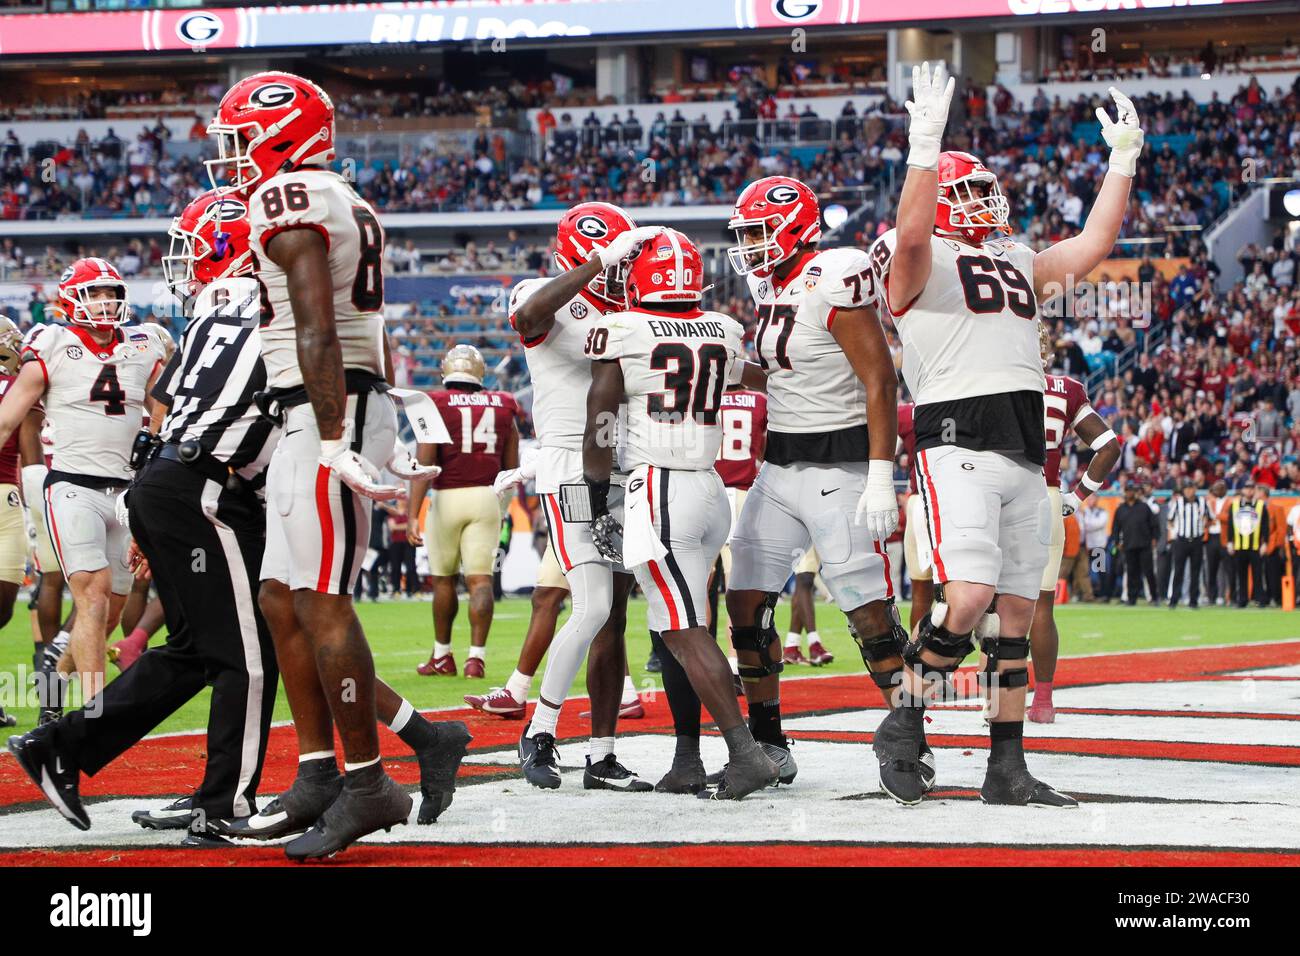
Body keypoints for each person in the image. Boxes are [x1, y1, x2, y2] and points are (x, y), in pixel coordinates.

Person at [206, 71, 469, 859]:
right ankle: (321, 772)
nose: (236, 157)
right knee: (281, 599)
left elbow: (318, 322)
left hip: (329, 410)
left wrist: (331, 439)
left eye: (242, 137)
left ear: (279, 133)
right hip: (328, 405)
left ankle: (367, 784)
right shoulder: (337, 195)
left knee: (321, 602)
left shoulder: (290, 199)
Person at [868, 63, 1141, 806]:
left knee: (1014, 619)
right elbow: (914, 228)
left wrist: (1122, 162)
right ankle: (904, 716)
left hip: (1026, 449)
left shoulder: (1016, 258)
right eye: (973, 190)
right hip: (957, 436)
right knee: (969, 596)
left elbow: (1091, 245)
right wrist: (925, 145)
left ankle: (1006, 767)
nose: (989, 200)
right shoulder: (914, 255)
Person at [7, 191, 278, 843]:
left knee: (193, 649)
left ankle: (59, 745)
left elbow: (163, 403)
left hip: (155, 482)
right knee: (248, 654)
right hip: (195, 484)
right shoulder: (268, 309)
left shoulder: (198, 325)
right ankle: (225, 803)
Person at [580, 227, 778, 800]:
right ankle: (688, 758)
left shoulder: (623, 327)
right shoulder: (724, 327)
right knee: (676, 629)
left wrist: (596, 493)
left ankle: (745, 755)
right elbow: (752, 377)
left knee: (684, 630)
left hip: (660, 487)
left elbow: (600, 413)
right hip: (711, 487)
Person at [724, 174, 904, 792]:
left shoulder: (834, 274)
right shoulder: (771, 285)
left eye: (757, 232)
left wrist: (881, 476)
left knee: (869, 614)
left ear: (795, 226)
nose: (747, 246)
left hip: (840, 466)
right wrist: (728, 368)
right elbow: (785, 373)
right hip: (779, 467)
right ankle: (769, 742)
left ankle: (908, 734)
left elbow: (880, 380)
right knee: (745, 606)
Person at [501, 202, 663, 791]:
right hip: (572, 462)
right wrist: (598, 265)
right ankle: (539, 730)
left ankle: (601, 754)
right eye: (616, 258)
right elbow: (526, 317)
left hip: (627, 463)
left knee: (614, 617)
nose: (625, 269)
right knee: (592, 606)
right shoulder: (546, 291)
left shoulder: (630, 308)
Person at [0, 258, 165, 709]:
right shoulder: (51, 342)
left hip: (127, 493)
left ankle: (56, 683)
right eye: (94, 293)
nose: (105, 302)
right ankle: (95, 710)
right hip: (72, 485)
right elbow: (8, 419)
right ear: (72, 298)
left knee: (110, 606)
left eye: (111, 292)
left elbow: (163, 405)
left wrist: (156, 438)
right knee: (90, 593)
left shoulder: (144, 342)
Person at [409, 344, 519, 678]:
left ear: (447, 371)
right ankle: (476, 658)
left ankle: (442, 655)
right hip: (486, 496)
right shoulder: (503, 404)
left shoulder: (436, 404)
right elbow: (511, 466)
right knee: (480, 580)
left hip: (448, 497)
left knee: (443, 579)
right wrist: (501, 504)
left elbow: (424, 463)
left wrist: (413, 513)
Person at [1027, 331, 1120, 724]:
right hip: (1046, 498)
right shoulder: (1067, 389)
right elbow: (1109, 445)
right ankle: (1043, 702)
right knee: (1042, 607)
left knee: (993, 603)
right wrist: (1077, 496)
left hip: (999, 496)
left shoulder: (990, 382)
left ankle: (994, 699)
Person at [898, 402, 934, 631]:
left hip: (918, 501)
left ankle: (918, 662)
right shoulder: (958, 402)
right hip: (952, 501)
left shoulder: (904, 413)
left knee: (921, 593)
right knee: (957, 594)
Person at [1113, 484, 1159, 604]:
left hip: (1145, 544)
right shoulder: (1121, 509)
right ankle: (1131, 598)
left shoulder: (1144, 507)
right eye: (1128, 491)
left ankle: (1154, 597)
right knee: (1132, 572)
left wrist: (1155, 538)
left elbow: (1154, 524)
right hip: (1128, 544)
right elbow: (1116, 527)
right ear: (1125, 492)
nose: (1130, 493)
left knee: (1149, 572)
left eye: (1132, 491)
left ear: (1135, 492)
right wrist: (1117, 541)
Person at [1167, 481, 1209, 609]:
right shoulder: (1178, 503)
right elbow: (1170, 519)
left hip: (1196, 540)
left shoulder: (1201, 502)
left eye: (1191, 489)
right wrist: (1176, 531)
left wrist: (1202, 527)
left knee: (1195, 572)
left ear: (1195, 489)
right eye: (1186, 489)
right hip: (1181, 541)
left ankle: (1193, 601)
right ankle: (1174, 600)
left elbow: (1209, 517)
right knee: (1178, 571)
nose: (1189, 491)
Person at [1224, 484, 1268, 608]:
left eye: (1251, 488)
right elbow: (1231, 525)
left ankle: (1259, 599)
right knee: (1241, 574)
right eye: (1247, 488)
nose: (1249, 490)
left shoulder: (1260, 506)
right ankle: (1242, 599)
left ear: (1254, 490)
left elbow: (1265, 526)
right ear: (1243, 490)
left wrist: (1265, 543)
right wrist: (1230, 542)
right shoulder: (1235, 505)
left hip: (1255, 545)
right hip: (1239, 545)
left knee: (1257, 574)